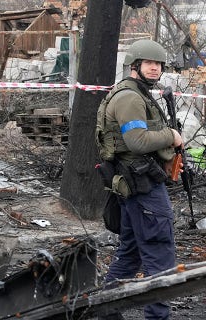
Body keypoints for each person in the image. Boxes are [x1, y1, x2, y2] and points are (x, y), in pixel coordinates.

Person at [96, 39, 183, 320]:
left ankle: (106, 312)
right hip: (142, 188)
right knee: (159, 256)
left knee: (130, 254)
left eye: (158, 64)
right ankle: (157, 317)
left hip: (136, 186)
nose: (155, 68)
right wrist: (172, 136)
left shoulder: (137, 93)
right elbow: (136, 140)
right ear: (134, 66)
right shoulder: (130, 97)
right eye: (149, 63)